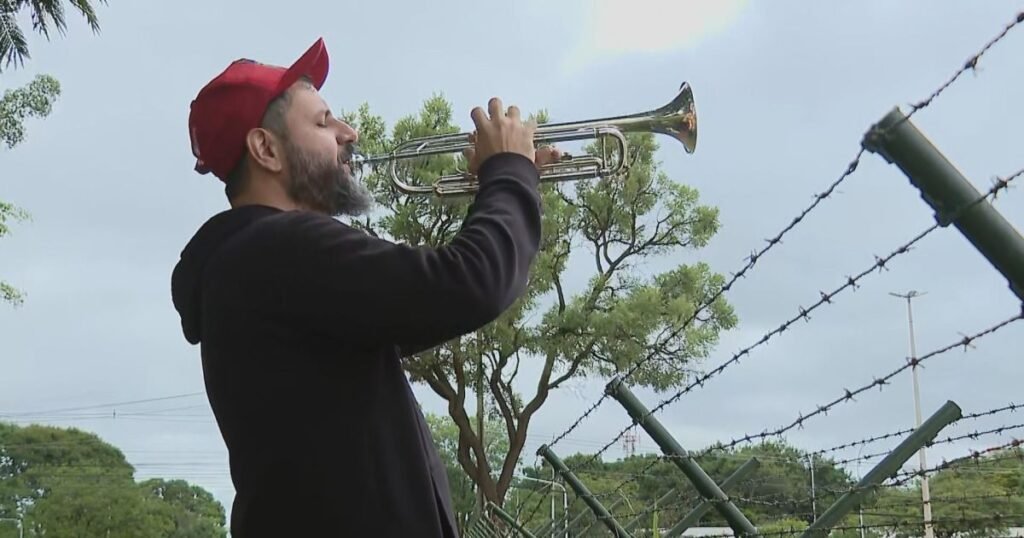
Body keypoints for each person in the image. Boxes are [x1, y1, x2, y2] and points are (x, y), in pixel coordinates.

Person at [171, 37, 558, 537]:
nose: (348, 132)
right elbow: (468, 284)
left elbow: (429, 304)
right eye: (321, 121)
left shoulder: (257, 267)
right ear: (265, 149)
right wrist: (508, 173)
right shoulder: (277, 248)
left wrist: (513, 189)